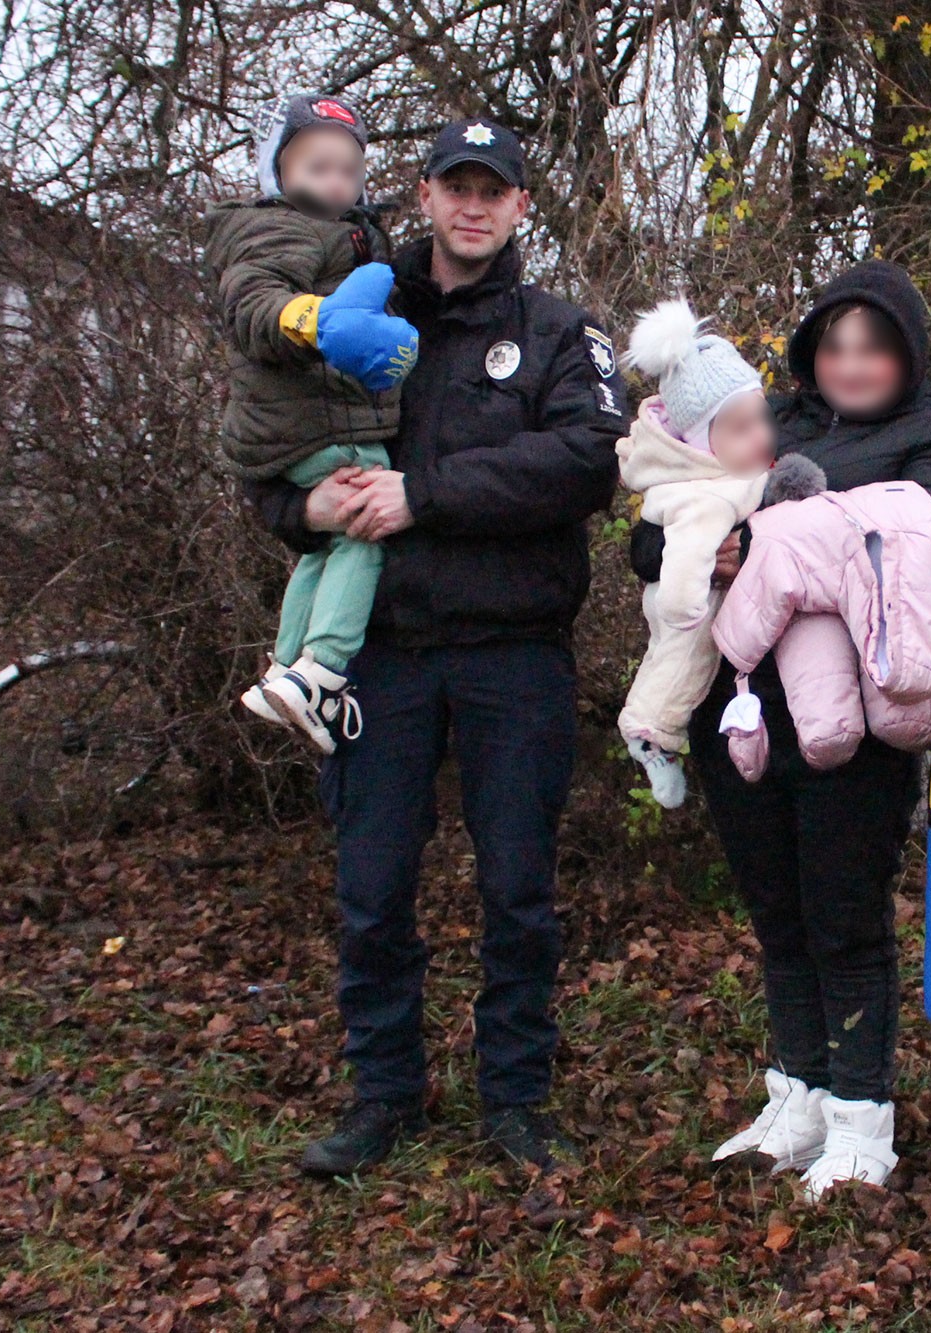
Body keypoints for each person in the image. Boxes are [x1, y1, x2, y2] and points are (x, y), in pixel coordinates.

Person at [244, 118, 624, 1176]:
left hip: (515, 653)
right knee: (371, 891)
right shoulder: (354, 305)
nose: (472, 205)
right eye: (455, 185)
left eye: (492, 189)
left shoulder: (560, 331)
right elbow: (271, 441)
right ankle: (384, 1093)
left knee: (518, 892)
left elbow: (587, 460)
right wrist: (298, 507)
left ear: (519, 206)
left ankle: (516, 1097)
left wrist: (427, 493)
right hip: (380, 654)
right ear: (422, 194)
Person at [627, 261, 931, 1199]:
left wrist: (763, 537)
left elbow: (922, 541)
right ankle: (801, 1096)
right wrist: (690, 546)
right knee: (777, 915)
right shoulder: (770, 420)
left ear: (908, 356)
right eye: (834, 345)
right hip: (738, 711)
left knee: (843, 917)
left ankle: (863, 1116)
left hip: (856, 728)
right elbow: (657, 524)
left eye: (874, 347)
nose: (851, 365)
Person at [206, 93, 420, 753]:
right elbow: (252, 301)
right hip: (326, 424)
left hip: (303, 426)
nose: (335, 183)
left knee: (322, 547)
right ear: (278, 171)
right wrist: (314, 320)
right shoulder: (281, 228)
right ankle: (323, 670)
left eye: (348, 171)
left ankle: (282, 671)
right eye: (317, 168)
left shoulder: (343, 232)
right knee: (365, 528)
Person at [613, 298, 823, 807]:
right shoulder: (709, 496)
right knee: (684, 665)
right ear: (703, 443)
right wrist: (685, 604)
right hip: (688, 602)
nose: (761, 436)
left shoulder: (732, 473)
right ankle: (651, 734)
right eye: (740, 430)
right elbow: (686, 551)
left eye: (761, 420)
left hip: (703, 606)